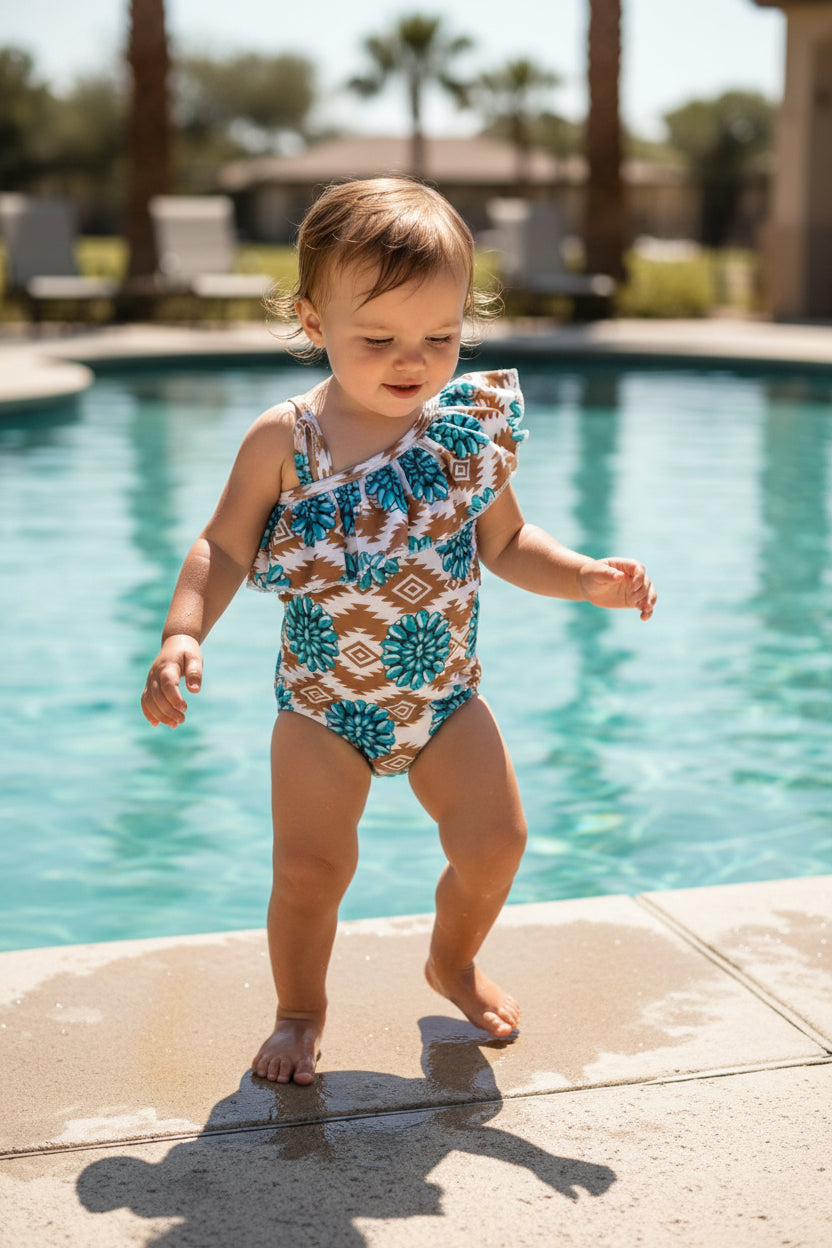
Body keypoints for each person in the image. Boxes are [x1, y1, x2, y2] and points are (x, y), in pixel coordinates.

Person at [141, 177, 656, 1086]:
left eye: (441, 337)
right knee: (309, 868)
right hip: (321, 708)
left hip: (445, 698)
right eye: (377, 338)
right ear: (312, 321)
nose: (411, 360)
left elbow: (507, 542)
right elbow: (221, 547)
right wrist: (186, 632)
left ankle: (450, 961)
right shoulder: (285, 441)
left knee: (497, 844)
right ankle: (299, 1013)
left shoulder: (462, 436)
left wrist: (583, 578)